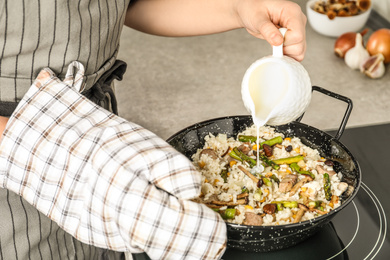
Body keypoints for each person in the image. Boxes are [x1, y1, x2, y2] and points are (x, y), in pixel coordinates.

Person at [0, 0, 307, 259]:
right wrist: (48, 154)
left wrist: (236, 8)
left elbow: (129, 6)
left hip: (104, 144)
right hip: (13, 180)